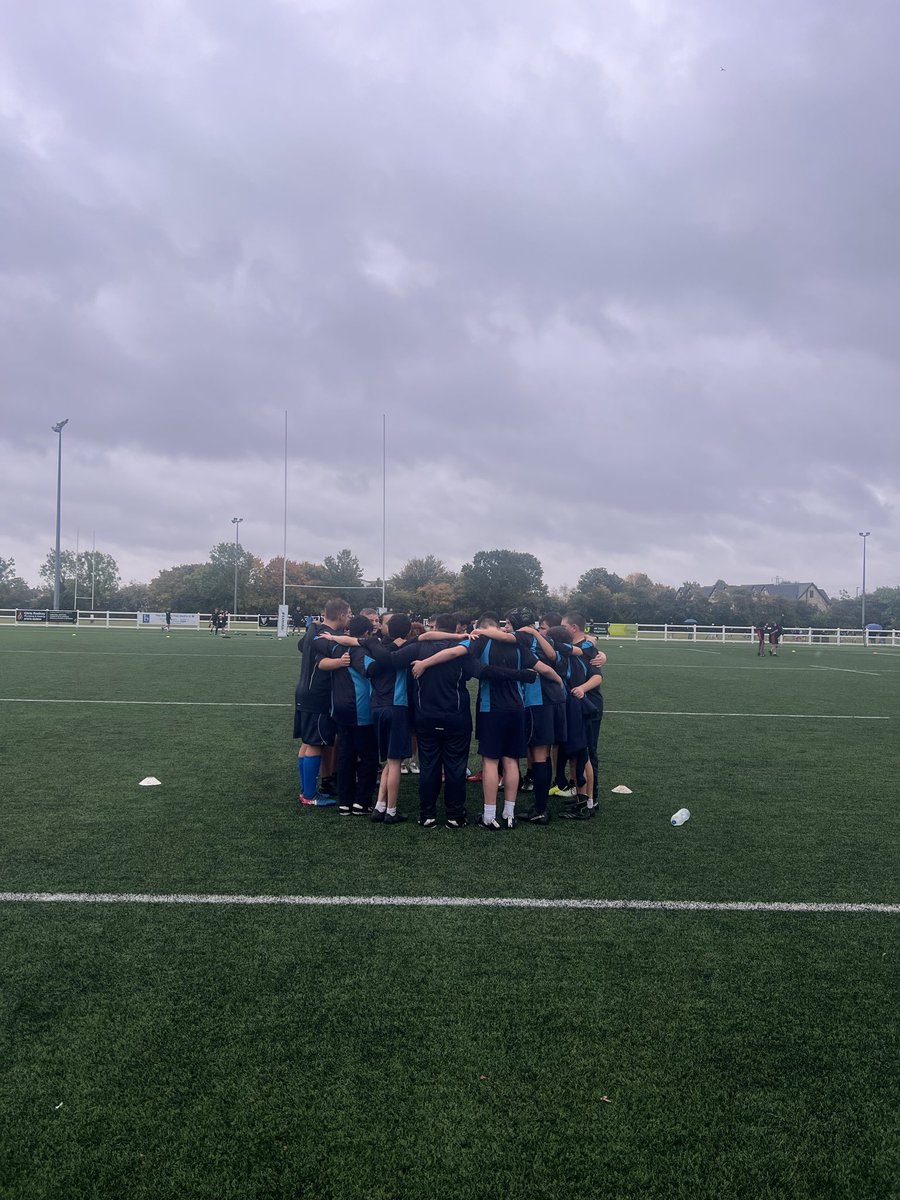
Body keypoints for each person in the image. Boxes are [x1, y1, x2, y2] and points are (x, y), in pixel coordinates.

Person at [363, 614, 540, 829]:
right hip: (457, 717)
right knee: (456, 767)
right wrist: (521, 675)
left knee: (429, 766)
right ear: (455, 628)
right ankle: (455, 816)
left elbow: (389, 660)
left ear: (435, 626)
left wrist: (369, 643)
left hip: (426, 717)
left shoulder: (419, 647)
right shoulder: (462, 649)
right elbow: (483, 671)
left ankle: (427, 815)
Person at [293, 597, 353, 807]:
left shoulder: (313, 633)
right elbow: (322, 664)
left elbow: (301, 645)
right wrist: (341, 661)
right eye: (350, 614)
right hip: (317, 695)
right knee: (316, 744)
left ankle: (306, 791)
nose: (351, 618)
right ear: (342, 615)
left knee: (308, 743)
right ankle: (309, 795)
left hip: (303, 692)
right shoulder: (328, 636)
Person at [329, 616, 380, 818]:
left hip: (339, 708)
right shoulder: (361, 650)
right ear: (367, 634)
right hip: (360, 709)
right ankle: (361, 802)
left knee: (345, 755)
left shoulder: (336, 648)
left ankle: (345, 802)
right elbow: (371, 670)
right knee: (368, 757)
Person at [563, 611, 607, 807]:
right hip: (577, 706)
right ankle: (582, 796)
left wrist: (581, 689)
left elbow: (597, 676)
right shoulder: (581, 646)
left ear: (573, 628)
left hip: (590, 705)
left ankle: (592, 798)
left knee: (588, 752)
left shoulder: (587, 649)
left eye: (564, 626)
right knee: (578, 751)